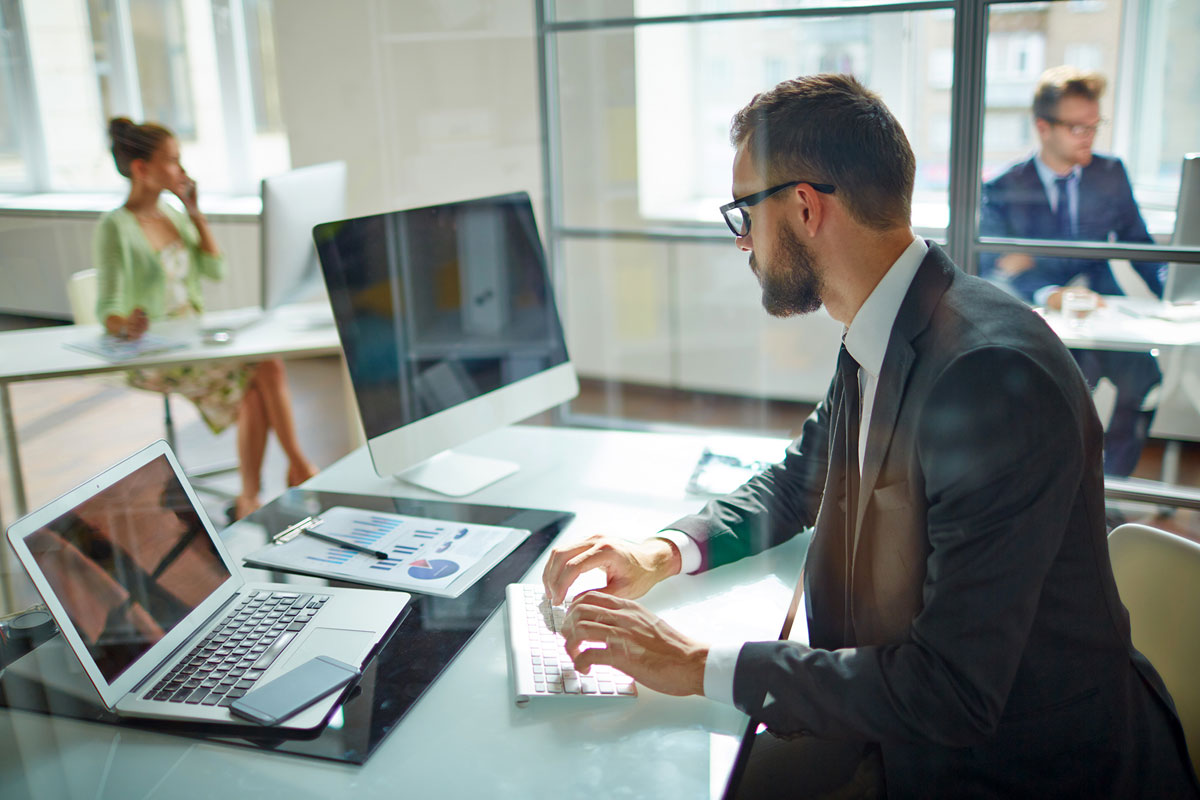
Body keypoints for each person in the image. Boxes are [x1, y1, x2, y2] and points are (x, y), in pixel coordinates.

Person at [542, 75, 1198, 798]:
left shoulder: (987, 377)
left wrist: (697, 663)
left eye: (743, 214)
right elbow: (802, 478)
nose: (741, 242)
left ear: (802, 206)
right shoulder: (890, 323)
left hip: (1024, 771)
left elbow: (951, 691)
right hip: (900, 731)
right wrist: (661, 551)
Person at [94, 117, 317, 520]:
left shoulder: (173, 215)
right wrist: (128, 324)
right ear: (142, 169)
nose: (182, 170)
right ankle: (297, 468)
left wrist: (195, 213)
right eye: (173, 161)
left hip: (192, 338)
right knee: (265, 369)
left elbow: (215, 271)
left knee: (259, 379)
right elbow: (105, 308)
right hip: (153, 353)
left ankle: (252, 496)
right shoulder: (116, 227)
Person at [980, 66, 1163, 477]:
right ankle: (1060, 490)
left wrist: (1175, 290)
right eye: (1077, 127)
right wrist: (1048, 291)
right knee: (1065, 396)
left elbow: (1140, 245)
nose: (1089, 136)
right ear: (1043, 127)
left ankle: (1109, 485)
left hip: (1101, 305)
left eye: (1094, 126)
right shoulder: (1005, 186)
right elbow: (992, 263)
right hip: (1041, 312)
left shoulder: (1110, 174)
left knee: (1145, 380)